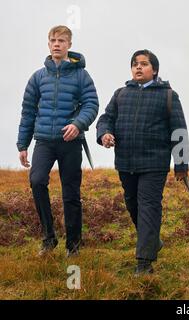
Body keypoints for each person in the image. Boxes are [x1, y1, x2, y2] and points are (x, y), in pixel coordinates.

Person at [96, 49, 189, 275]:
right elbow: (106, 118)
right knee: (133, 205)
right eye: (135, 64)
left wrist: (181, 164)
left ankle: (144, 263)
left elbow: (179, 131)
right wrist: (104, 134)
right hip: (126, 162)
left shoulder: (168, 95)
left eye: (144, 64)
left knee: (148, 207)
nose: (138, 67)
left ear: (154, 70)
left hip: (154, 163)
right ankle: (152, 241)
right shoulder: (121, 94)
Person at [17, 25, 99, 257]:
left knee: (70, 193)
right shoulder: (38, 77)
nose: (56, 44)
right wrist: (23, 145)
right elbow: (28, 112)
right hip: (43, 140)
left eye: (61, 40)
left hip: (71, 143)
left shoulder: (82, 75)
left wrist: (78, 124)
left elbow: (91, 104)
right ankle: (48, 237)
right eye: (53, 40)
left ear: (69, 45)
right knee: (37, 181)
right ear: (48, 43)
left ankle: (73, 246)